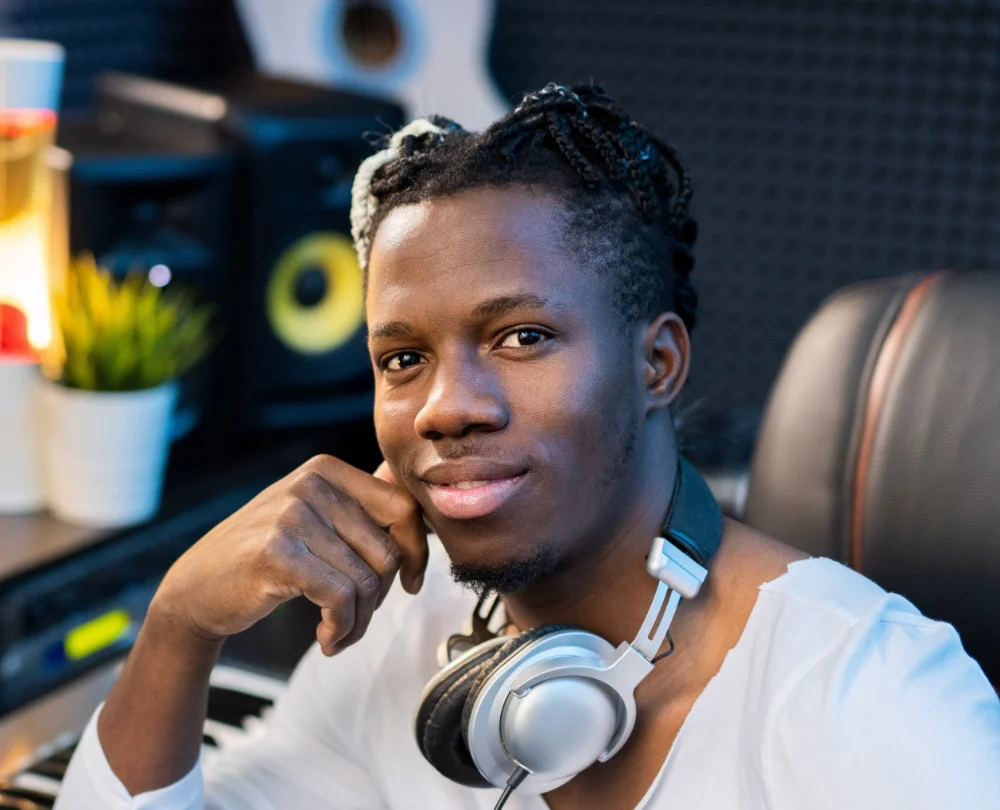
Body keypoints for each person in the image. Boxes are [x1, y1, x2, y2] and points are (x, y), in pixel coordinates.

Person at [57, 84, 1000, 810]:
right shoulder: (407, 625)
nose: (444, 408)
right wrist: (179, 624)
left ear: (657, 363)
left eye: (522, 337)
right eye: (403, 357)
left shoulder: (875, 699)